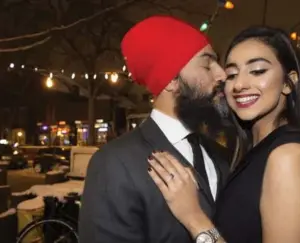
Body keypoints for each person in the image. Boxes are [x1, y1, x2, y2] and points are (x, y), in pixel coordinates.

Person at [148, 26, 300, 243]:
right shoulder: (252, 152)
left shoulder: (289, 157)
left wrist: (194, 218)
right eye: (232, 74)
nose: (239, 85)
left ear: (289, 82)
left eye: (258, 71)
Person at [79, 15, 232, 243]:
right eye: (207, 63)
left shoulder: (220, 155)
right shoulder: (113, 164)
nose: (222, 74)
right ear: (171, 80)